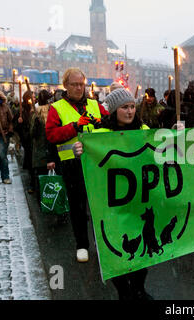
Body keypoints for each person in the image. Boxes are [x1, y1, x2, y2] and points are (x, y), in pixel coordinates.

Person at [72, 88, 152, 300]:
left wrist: (174, 136)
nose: (129, 111)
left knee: (141, 246)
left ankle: (139, 288)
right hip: (111, 201)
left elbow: (157, 153)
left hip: (138, 198)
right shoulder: (100, 135)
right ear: (115, 110)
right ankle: (124, 291)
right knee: (115, 248)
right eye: (124, 107)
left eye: (132, 106)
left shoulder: (144, 129)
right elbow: (88, 156)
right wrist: (79, 151)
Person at [46, 68, 110, 263]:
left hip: (97, 163)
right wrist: (75, 126)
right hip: (72, 165)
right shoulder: (57, 108)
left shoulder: (95, 104)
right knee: (78, 208)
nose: (79, 88)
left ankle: (104, 243)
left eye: (81, 84)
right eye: (74, 84)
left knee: (101, 206)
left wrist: (101, 122)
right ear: (65, 85)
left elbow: (111, 125)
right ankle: (82, 245)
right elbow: (51, 135)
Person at [30, 90, 60, 199]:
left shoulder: (36, 114)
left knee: (42, 180)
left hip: (40, 153)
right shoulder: (54, 112)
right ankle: (53, 199)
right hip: (51, 152)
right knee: (53, 180)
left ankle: (44, 200)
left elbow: (32, 134)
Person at [14, 91, 36, 193]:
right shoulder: (21, 111)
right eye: (31, 97)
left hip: (36, 139)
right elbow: (15, 127)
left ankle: (36, 182)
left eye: (34, 97)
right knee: (31, 161)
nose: (34, 99)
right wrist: (19, 122)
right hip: (27, 140)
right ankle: (32, 183)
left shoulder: (36, 108)